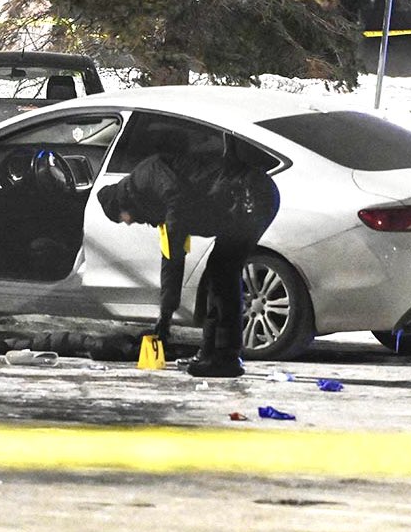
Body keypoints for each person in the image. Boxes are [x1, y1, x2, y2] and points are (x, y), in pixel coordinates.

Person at [97, 150, 280, 378]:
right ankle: (211, 354)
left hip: (248, 195)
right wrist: (166, 313)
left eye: (123, 218)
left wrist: (174, 239)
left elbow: (177, 199)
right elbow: (171, 258)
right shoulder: (152, 205)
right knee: (217, 275)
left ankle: (226, 358)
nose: (130, 222)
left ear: (121, 202)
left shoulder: (146, 175)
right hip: (243, 199)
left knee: (223, 275)